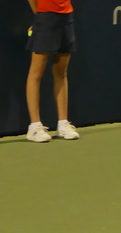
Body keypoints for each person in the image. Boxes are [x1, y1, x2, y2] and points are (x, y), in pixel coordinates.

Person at [25, 0, 80, 142]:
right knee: (36, 74)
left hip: (66, 17)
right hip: (45, 17)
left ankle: (62, 124)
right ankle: (34, 127)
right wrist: (39, 18)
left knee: (61, 73)